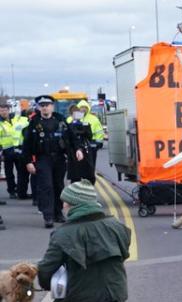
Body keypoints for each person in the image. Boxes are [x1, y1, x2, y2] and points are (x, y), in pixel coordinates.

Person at [36, 179, 131, 302]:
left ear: (75, 205)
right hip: (116, 290)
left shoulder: (63, 234)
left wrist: (45, 285)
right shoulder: (116, 225)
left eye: (66, 203)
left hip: (81, 292)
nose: (63, 206)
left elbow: (46, 268)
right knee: (109, 297)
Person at [23, 95, 79, 228]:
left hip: (59, 158)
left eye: (47, 105)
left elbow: (72, 137)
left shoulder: (60, 120)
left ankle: (57, 213)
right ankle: (48, 216)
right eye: (42, 105)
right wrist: (28, 161)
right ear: (38, 107)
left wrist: (78, 149)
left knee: (59, 186)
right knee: (46, 186)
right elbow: (27, 144)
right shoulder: (34, 123)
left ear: (52, 106)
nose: (45, 107)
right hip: (43, 158)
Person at [66, 99, 105, 184]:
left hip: (89, 147)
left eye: (85, 108)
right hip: (73, 150)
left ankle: (88, 189)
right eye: (81, 108)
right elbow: (67, 137)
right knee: (76, 174)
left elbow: (94, 134)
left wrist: (97, 143)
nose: (83, 110)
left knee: (89, 171)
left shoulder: (93, 119)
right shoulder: (69, 121)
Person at [1, 102, 30, 201]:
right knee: (9, 173)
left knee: (21, 172)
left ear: (9, 110)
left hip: (18, 149)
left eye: (5, 110)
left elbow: (26, 123)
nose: (3, 112)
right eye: (1, 110)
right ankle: (12, 191)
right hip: (6, 150)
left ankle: (20, 190)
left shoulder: (16, 119)